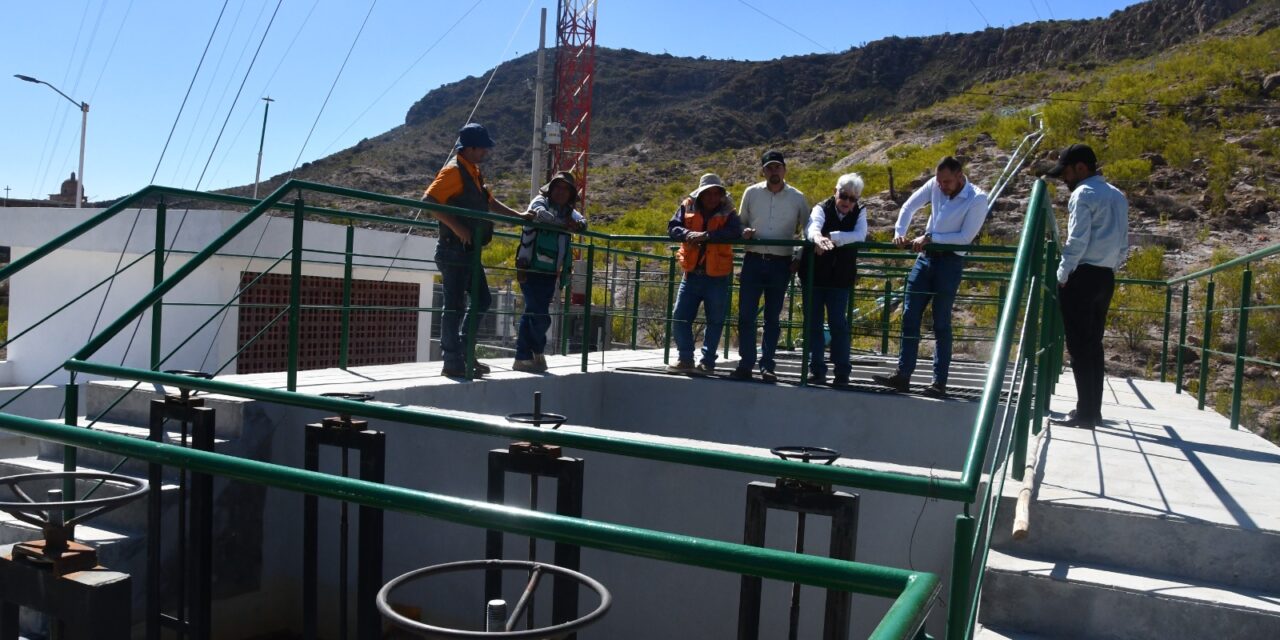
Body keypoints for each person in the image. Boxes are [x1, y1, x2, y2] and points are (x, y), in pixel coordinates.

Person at [872, 156, 989, 398]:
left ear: (960, 176)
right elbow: (909, 206)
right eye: (939, 181)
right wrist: (899, 232)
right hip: (925, 258)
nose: (942, 186)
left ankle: (939, 382)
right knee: (909, 313)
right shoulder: (935, 185)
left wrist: (931, 238)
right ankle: (903, 375)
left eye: (947, 181)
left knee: (941, 322)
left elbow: (965, 237)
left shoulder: (977, 198)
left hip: (949, 262)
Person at [423, 123, 525, 378]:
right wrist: (457, 227)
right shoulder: (454, 171)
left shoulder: (473, 172)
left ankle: (465, 354)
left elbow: (489, 201)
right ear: (470, 148)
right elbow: (429, 201)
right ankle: (452, 361)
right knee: (455, 305)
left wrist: (519, 216)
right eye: (483, 148)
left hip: (468, 251)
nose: (486, 153)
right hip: (453, 250)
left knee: (481, 299)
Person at [1046, 144, 1129, 429]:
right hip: (1105, 277)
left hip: (1081, 275)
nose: (1065, 179)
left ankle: (1084, 413)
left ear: (1081, 168)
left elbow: (1077, 240)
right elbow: (1123, 243)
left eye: (1067, 172)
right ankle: (1093, 410)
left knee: (1079, 346)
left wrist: (1062, 273)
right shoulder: (1117, 195)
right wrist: (1111, 267)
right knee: (1093, 344)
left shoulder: (1083, 194)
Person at [730, 150, 810, 383]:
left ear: (784, 170)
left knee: (773, 317)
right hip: (753, 260)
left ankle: (767, 365)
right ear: (763, 171)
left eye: (778, 167)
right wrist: (743, 232)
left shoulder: (797, 197)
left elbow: (808, 230)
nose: (774, 171)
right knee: (746, 315)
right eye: (769, 167)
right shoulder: (751, 193)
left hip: (781, 264)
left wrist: (798, 255)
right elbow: (741, 222)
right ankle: (746, 364)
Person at [666, 173, 743, 374]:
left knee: (715, 320)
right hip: (691, 274)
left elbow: (735, 231)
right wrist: (688, 234)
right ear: (700, 194)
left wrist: (708, 236)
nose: (712, 197)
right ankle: (685, 359)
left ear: (721, 195)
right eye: (708, 193)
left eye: (716, 193)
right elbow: (673, 227)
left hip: (717, 276)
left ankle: (707, 361)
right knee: (680, 317)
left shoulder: (729, 211)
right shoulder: (687, 205)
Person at [512, 171, 586, 373]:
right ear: (551, 189)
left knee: (532, 312)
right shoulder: (539, 201)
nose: (561, 192)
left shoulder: (568, 211)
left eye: (566, 189)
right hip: (529, 267)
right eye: (558, 187)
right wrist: (565, 226)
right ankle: (536, 350)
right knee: (540, 315)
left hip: (550, 272)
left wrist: (577, 225)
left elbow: (583, 223)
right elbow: (541, 216)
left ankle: (523, 357)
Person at [801, 173, 868, 387]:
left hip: (841, 278)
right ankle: (817, 370)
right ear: (835, 192)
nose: (847, 202)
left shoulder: (860, 211)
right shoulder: (821, 207)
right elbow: (812, 228)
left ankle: (842, 372)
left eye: (852, 198)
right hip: (814, 275)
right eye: (844, 196)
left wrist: (833, 237)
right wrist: (817, 238)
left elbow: (860, 235)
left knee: (838, 324)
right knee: (814, 323)